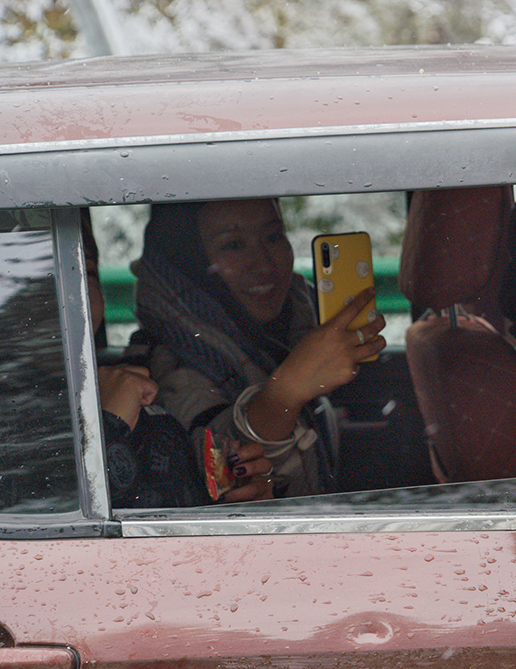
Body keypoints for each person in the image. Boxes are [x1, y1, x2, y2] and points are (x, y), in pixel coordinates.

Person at [131, 198, 386, 497]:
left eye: (273, 236)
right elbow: (222, 464)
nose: (264, 264)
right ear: (188, 262)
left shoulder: (295, 330)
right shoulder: (168, 372)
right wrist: (286, 392)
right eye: (233, 245)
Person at [83, 209, 273, 506]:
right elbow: (66, 523)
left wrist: (234, 499)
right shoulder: (23, 425)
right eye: (233, 244)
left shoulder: (145, 408)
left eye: (85, 274)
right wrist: (110, 424)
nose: (65, 294)